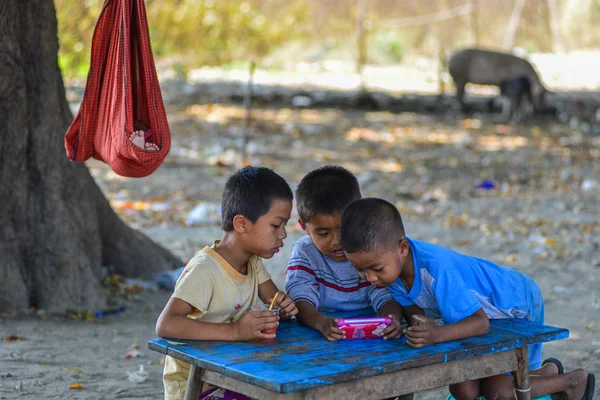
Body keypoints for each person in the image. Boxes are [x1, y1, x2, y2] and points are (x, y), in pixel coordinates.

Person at [340, 197, 595, 400]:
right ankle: (547, 372)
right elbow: (411, 309)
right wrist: (403, 320)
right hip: (476, 317)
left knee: (502, 392)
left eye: (375, 269)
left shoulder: (438, 270)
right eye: (360, 270)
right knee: (464, 391)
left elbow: (480, 324)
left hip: (514, 305)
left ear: (402, 248)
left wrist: (436, 335)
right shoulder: (391, 270)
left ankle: (572, 381)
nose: (369, 278)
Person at [156, 166, 298, 400]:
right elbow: (166, 325)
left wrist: (281, 311)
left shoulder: (252, 262)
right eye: (276, 225)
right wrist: (235, 331)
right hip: (197, 387)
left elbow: (273, 300)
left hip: (235, 373)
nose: (283, 234)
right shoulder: (205, 270)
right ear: (241, 224)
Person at [286, 165, 403, 341]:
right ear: (304, 227)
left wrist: (391, 319)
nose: (336, 241)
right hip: (319, 332)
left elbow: (383, 292)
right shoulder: (305, 253)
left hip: (371, 331)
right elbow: (300, 297)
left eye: (343, 228)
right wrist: (321, 322)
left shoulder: (368, 245)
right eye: (323, 233)